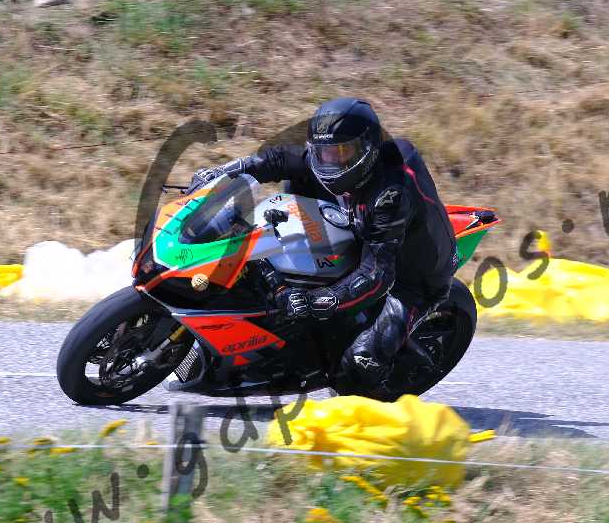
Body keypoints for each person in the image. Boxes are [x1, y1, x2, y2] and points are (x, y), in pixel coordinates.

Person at [186, 97, 458, 391]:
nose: (332, 162)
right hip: (359, 234)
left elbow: (378, 273)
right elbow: (279, 159)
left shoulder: (390, 196)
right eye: (325, 152)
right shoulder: (333, 164)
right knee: (294, 187)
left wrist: (321, 299)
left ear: (368, 149)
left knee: (358, 366)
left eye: (343, 152)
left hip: (411, 278)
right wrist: (226, 171)